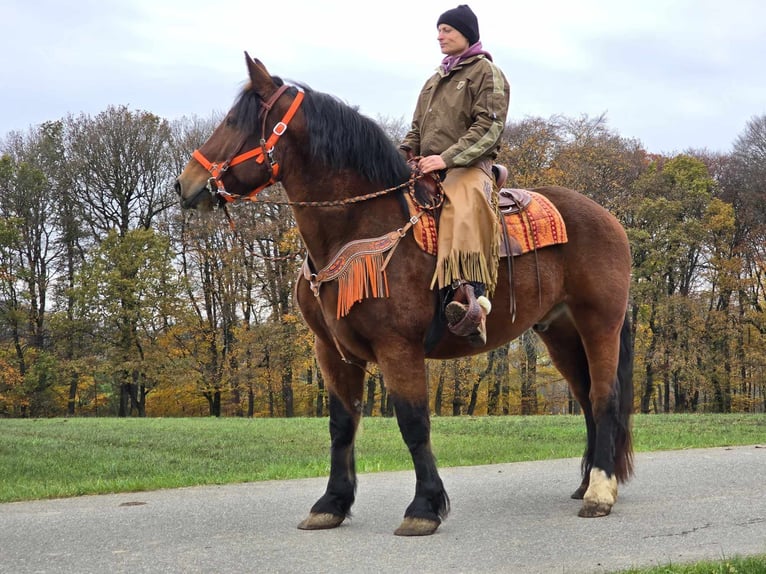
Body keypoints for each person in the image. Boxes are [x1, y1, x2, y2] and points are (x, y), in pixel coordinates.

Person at [400, 4, 510, 346]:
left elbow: (489, 128)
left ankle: (470, 301)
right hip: (426, 165)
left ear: (467, 34)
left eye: (447, 30)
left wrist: (445, 159)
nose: (439, 36)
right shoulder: (434, 80)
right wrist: (404, 155)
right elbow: (416, 128)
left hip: (468, 167)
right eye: (439, 30)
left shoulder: (486, 72)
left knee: (463, 205)